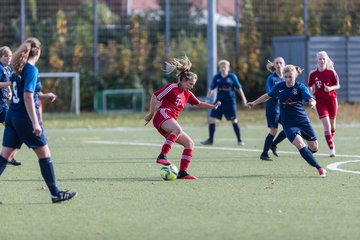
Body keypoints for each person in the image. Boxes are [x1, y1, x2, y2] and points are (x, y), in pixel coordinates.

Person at [0, 37, 77, 203]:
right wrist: (35, 122)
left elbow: (25, 93)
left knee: (4, 156)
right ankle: (56, 193)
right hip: (24, 118)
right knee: (44, 154)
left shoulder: (17, 68)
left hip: (12, 116)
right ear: (38, 52)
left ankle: (56, 193)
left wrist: (43, 95)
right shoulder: (31, 70)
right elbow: (27, 96)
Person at [144, 56, 221, 180]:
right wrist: (150, 114)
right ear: (182, 80)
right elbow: (155, 96)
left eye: (193, 84)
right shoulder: (172, 87)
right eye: (190, 83)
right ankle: (162, 156)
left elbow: (199, 103)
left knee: (189, 144)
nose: (191, 86)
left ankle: (182, 172)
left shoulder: (187, 93)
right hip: (162, 115)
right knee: (178, 130)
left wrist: (213, 106)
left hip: (170, 121)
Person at [247, 64, 327, 177]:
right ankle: (319, 168)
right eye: (286, 77)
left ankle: (308, 154)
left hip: (302, 121)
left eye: (290, 76)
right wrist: (254, 102)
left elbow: (310, 99)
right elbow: (268, 95)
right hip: (288, 123)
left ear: (295, 76)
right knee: (299, 144)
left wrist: (312, 103)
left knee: (314, 147)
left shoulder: (300, 87)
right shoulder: (279, 87)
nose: (288, 79)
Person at [200, 59, 247, 146]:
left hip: (230, 103)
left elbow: (239, 88)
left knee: (234, 121)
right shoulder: (216, 77)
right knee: (211, 120)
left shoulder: (232, 77)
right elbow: (211, 89)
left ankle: (239, 140)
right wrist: (207, 99)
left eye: (225, 66)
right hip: (219, 103)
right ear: (219, 68)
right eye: (221, 66)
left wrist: (244, 99)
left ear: (228, 68)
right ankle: (210, 140)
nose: (223, 68)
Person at [308, 51, 340, 157]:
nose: (322, 61)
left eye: (324, 59)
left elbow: (337, 85)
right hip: (320, 102)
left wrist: (330, 88)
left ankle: (331, 137)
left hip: (332, 100)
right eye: (320, 59)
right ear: (317, 60)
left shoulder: (331, 72)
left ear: (326, 60)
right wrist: (311, 97)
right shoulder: (313, 74)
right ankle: (332, 149)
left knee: (332, 127)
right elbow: (309, 86)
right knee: (326, 126)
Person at [259, 57, 287, 161]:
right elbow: (269, 93)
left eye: (281, 63)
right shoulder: (271, 78)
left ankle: (274, 144)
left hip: (283, 108)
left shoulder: (286, 77)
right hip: (273, 108)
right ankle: (264, 154)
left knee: (290, 127)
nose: (279, 64)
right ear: (274, 66)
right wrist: (280, 96)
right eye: (277, 63)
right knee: (274, 130)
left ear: (284, 65)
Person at [0, 46, 22, 166]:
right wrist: (9, 83)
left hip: (2, 106)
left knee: (14, 127)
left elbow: (8, 83)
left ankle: (8, 156)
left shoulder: (8, 69)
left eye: (10, 56)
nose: (9, 58)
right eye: (5, 56)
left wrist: (9, 91)